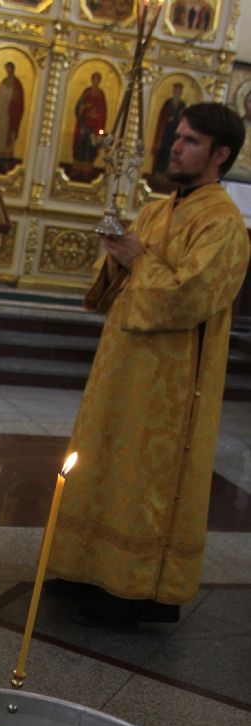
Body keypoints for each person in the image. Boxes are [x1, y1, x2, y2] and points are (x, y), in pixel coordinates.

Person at [46, 103, 250, 627]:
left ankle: (135, 591)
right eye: (177, 137)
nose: (174, 147)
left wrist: (136, 258)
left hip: (172, 386)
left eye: (190, 141)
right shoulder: (158, 211)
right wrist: (116, 256)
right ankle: (82, 567)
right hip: (120, 369)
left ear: (220, 154)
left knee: (147, 479)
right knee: (103, 461)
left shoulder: (223, 223)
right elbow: (119, 282)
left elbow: (190, 295)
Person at [0, 62, 25, 159]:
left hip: (10, 112)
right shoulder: (4, 81)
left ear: (12, 69)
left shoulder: (16, 83)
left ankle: (6, 155)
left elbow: (18, 101)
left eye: (8, 68)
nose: (7, 70)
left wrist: (12, 106)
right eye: (6, 68)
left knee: (7, 133)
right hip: (1, 112)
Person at [72, 72, 107, 175]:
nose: (96, 81)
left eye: (98, 79)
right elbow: (79, 106)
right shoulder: (87, 92)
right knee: (80, 144)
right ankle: (77, 167)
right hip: (84, 123)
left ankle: (87, 169)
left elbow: (103, 111)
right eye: (94, 79)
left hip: (95, 125)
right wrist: (85, 108)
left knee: (90, 146)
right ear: (92, 80)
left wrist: (97, 115)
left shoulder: (101, 94)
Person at [152, 82, 187, 176]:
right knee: (163, 152)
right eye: (176, 91)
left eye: (179, 91)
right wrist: (167, 119)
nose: (177, 93)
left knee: (172, 152)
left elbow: (184, 120)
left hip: (175, 134)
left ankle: (169, 173)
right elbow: (161, 118)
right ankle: (158, 172)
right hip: (165, 133)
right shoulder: (167, 103)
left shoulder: (182, 105)